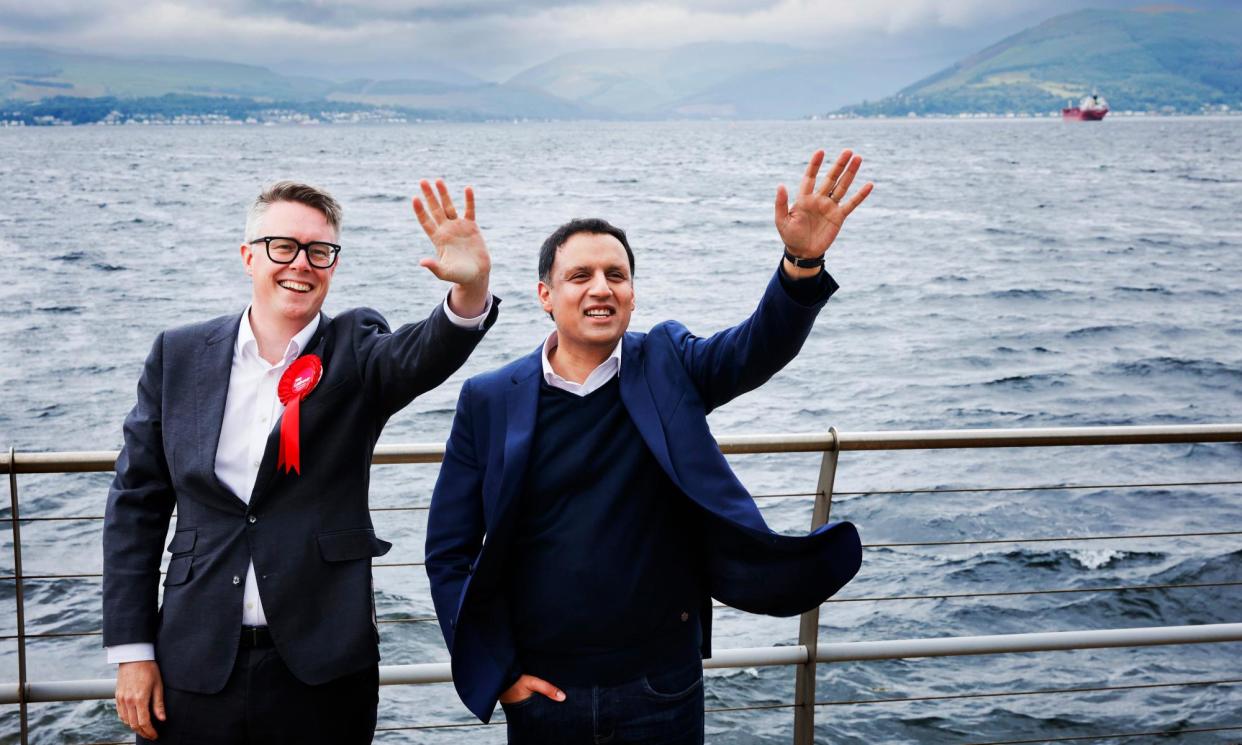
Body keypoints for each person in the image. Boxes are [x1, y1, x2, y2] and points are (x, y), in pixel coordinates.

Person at [425, 149, 871, 743]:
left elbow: (757, 348)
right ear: (545, 295)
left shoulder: (667, 362)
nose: (600, 289)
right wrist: (496, 671)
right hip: (542, 692)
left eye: (616, 275)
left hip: (661, 685)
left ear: (633, 293)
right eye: (579, 277)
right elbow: (449, 550)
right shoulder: (488, 398)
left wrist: (801, 261)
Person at [103, 178, 498, 743]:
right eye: (283, 247)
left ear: (333, 264)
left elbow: (419, 355)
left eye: (320, 251)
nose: (302, 264)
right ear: (248, 256)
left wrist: (470, 291)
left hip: (323, 664)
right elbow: (135, 507)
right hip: (192, 659)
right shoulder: (179, 355)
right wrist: (132, 651)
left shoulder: (357, 345)